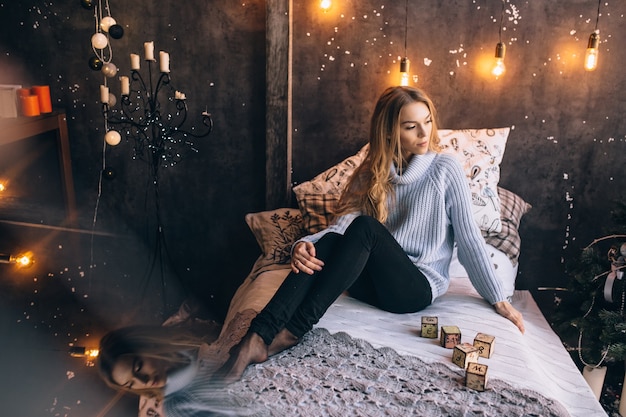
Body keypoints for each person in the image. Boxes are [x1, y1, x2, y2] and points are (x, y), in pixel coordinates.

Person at [215, 85, 525, 384]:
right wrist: (304, 245)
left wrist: (498, 298)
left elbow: (470, 239)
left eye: (427, 122)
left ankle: (295, 329)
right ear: (390, 131)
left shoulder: (446, 168)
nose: (424, 133)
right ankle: (257, 336)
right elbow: (339, 227)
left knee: (365, 228)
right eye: (411, 126)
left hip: (414, 288)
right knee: (332, 241)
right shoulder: (372, 171)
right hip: (370, 286)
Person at [97, 324, 257, 416]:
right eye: (130, 384)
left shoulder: (196, 349)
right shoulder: (176, 406)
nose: (143, 381)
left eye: (138, 368)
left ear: (147, 346)